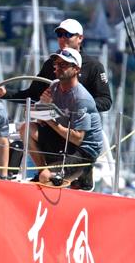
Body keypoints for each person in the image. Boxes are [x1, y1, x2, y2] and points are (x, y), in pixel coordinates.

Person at [0, 18, 110, 185]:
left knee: (75, 151)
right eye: (59, 35)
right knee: (27, 128)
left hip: (79, 131)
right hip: (58, 126)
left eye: (67, 34)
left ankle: (79, 173)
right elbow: (32, 94)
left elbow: (106, 101)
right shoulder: (51, 65)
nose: (62, 38)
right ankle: (46, 173)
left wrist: (74, 106)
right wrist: (5, 94)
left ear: (80, 38)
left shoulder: (93, 67)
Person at [36, 48, 104, 187]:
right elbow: (40, 119)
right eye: (57, 64)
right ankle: (44, 171)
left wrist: (48, 117)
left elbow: (78, 138)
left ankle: (81, 172)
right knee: (27, 129)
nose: (58, 68)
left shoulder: (81, 98)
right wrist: (43, 106)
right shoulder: (54, 86)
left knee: (45, 177)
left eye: (64, 65)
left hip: (84, 148)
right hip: (65, 137)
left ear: (76, 69)